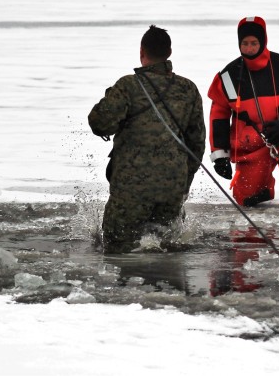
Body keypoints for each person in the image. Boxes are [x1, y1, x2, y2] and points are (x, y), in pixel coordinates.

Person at [88, 25, 206, 253]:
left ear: (142, 52)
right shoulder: (188, 89)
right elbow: (197, 144)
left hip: (130, 189)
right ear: (169, 53)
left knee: (116, 249)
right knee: (166, 247)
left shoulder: (128, 86)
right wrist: (183, 183)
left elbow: (99, 124)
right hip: (172, 187)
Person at [207, 16, 279, 211]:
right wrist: (220, 155)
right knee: (246, 199)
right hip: (252, 146)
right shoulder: (227, 77)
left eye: (254, 43)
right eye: (245, 43)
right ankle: (261, 188)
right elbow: (218, 116)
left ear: (263, 41)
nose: (249, 48)